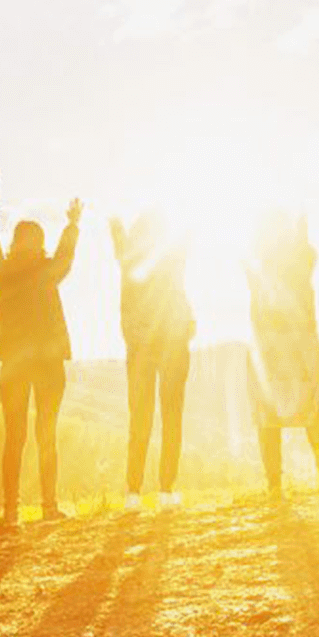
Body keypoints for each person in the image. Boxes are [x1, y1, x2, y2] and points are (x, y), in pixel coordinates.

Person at [0, 180, 81, 525]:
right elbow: (64, 255)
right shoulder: (43, 272)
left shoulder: (5, 272)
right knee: (40, 433)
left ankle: (14, 510)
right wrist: (72, 225)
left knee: (18, 435)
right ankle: (44, 507)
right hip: (45, 362)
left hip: (19, 364)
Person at [110, 210, 195, 510]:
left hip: (141, 349)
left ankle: (133, 492)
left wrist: (116, 224)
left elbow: (118, 235)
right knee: (172, 417)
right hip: (172, 345)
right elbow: (187, 233)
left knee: (140, 419)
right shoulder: (172, 260)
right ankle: (166, 491)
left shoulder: (129, 261)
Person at [247, 214, 319, 496]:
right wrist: (300, 227)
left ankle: (275, 485)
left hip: (271, 345)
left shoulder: (258, 265)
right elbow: (306, 250)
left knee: (268, 412)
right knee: (311, 407)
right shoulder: (301, 260)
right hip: (299, 340)